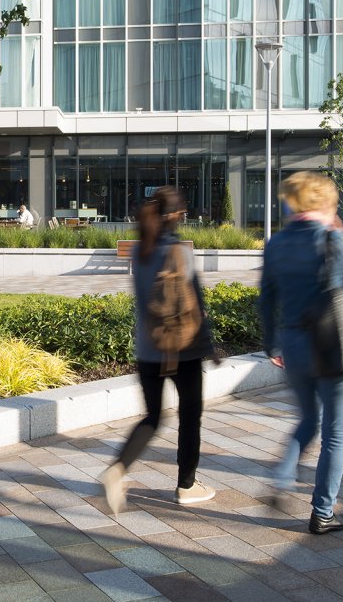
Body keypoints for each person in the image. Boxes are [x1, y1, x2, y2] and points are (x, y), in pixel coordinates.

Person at [257, 171, 343, 535]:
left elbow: (266, 300)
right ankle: (323, 513)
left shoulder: (276, 243)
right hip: (335, 346)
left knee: (307, 420)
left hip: (293, 345)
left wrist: (271, 344)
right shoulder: (332, 238)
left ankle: (281, 479)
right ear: (323, 201)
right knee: (335, 431)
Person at [100, 186, 219, 514]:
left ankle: (117, 469)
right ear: (175, 215)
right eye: (182, 211)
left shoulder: (141, 251)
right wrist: (211, 346)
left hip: (148, 348)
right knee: (190, 415)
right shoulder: (180, 251)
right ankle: (187, 485)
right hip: (182, 349)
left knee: (153, 416)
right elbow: (196, 304)